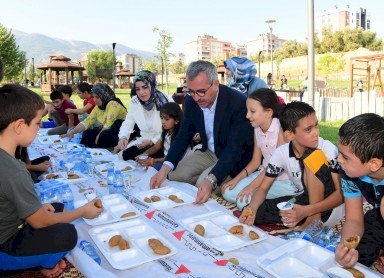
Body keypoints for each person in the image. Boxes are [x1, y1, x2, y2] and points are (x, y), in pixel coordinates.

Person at [0, 84, 102, 277]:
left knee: (54, 206)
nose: (39, 129)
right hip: (4, 247)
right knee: (67, 235)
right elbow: (40, 222)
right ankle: (36, 265)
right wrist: (83, 211)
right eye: (38, 123)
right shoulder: (14, 170)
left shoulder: (7, 159)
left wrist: (38, 209)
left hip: (10, 225)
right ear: (19, 125)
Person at [150, 60, 253, 204]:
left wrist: (211, 179)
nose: (197, 97)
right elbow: (183, 137)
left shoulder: (238, 103)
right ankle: (207, 185)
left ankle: (220, 184)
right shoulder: (192, 101)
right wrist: (164, 168)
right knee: (173, 176)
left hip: (234, 158)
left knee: (202, 184)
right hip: (210, 152)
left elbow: (234, 150)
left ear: (216, 84)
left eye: (201, 91)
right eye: (191, 91)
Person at [240, 101, 343, 228]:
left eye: (316, 126)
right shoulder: (281, 153)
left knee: (312, 157)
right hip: (304, 200)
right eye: (308, 129)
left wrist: (308, 211)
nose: (316, 132)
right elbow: (263, 188)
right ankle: (301, 216)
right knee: (257, 211)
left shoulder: (328, 149)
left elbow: (341, 194)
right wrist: (252, 208)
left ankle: (312, 221)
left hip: (330, 208)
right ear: (289, 134)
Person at [221, 89, 293, 209]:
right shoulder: (257, 129)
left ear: (268, 112)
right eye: (247, 111)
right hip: (262, 174)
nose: (247, 115)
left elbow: (275, 167)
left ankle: (288, 199)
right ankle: (266, 202)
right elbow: (255, 161)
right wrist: (236, 179)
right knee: (227, 192)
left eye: (252, 111)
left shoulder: (280, 129)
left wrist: (251, 186)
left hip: (283, 180)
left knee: (242, 202)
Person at [335, 113, 384, 274]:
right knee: (357, 257)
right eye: (339, 152)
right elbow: (354, 219)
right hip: (378, 216)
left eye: (345, 157)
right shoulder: (349, 172)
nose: (338, 159)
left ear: (374, 164)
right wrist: (346, 248)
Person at [116, 70, 172, 161]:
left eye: (145, 87)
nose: (141, 93)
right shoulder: (135, 101)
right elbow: (128, 122)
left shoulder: (165, 101)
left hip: (163, 142)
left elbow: (172, 129)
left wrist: (152, 141)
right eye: (137, 89)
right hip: (143, 141)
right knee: (123, 155)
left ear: (152, 85)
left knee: (134, 158)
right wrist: (123, 137)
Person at [63, 83, 127, 148]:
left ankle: (103, 152)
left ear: (104, 95)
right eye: (93, 97)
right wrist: (72, 132)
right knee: (87, 133)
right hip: (109, 131)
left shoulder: (113, 104)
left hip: (122, 132)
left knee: (102, 136)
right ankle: (87, 152)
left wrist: (98, 135)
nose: (94, 99)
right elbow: (87, 121)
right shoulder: (99, 106)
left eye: (97, 97)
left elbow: (108, 125)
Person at [136, 102, 184, 171]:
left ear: (176, 121)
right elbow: (155, 147)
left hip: (177, 162)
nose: (163, 122)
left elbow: (172, 157)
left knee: (155, 167)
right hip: (166, 159)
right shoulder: (166, 132)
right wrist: (143, 155)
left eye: (167, 119)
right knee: (146, 163)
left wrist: (153, 161)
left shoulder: (180, 135)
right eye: (162, 118)